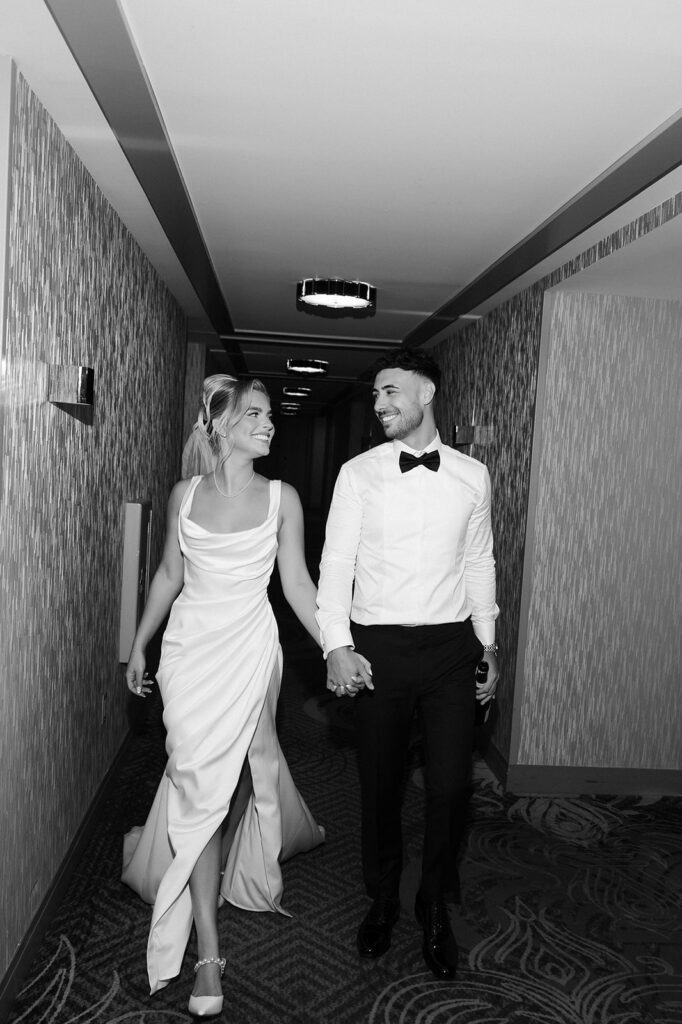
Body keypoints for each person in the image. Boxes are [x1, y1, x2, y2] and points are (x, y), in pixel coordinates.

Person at [122, 374, 351, 1017]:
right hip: (189, 653)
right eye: (254, 414)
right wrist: (140, 643)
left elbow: (298, 583)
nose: (269, 423)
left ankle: (215, 915)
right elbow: (169, 573)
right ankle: (207, 946)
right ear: (219, 425)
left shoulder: (283, 498)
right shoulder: (184, 494)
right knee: (200, 784)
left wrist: (335, 645)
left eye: (270, 414)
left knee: (236, 778)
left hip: (251, 650)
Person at [316, 347, 499, 980]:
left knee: (451, 786)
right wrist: (336, 644)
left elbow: (479, 561)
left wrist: (489, 644)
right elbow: (336, 562)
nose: (379, 404)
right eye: (374, 395)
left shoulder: (473, 476)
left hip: (452, 650)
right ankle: (383, 897)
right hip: (378, 650)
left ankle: (433, 901)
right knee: (381, 783)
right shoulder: (358, 474)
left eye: (390, 391)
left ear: (426, 393)